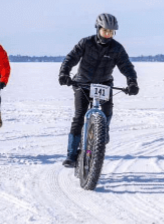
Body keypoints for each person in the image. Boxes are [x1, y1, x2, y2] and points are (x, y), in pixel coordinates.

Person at [58, 14, 139, 167]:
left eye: (111, 32)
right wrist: (64, 73)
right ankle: (71, 155)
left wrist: (132, 82)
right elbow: (71, 58)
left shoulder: (117, 48)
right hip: (82, 83)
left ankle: (103, 130)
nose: (108, 34)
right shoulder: (86, 43)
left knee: (107, 110)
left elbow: (126, 66)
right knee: (79, 116)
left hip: (104, 83)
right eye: (105, 31)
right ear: (98, 29)